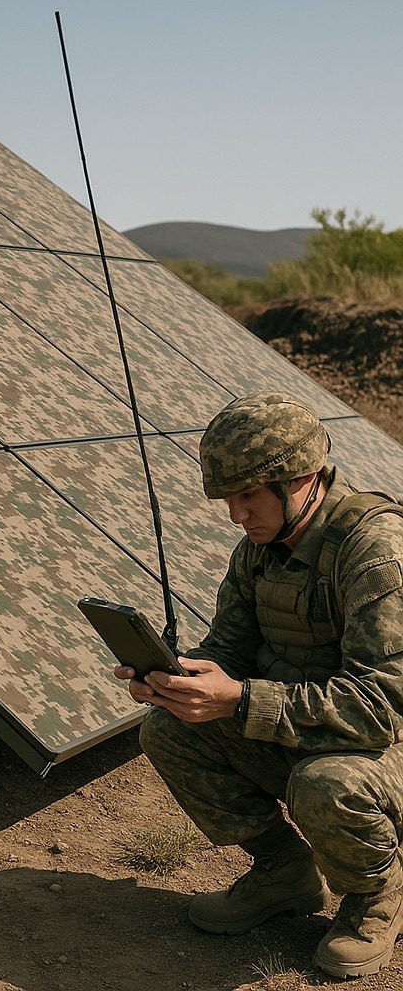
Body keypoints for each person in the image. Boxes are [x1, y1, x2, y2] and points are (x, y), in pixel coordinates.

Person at [115, 391, 403, 979]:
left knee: (325, 784)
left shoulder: (376, 553)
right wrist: (177, 678)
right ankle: (284, 873)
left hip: (381, 745)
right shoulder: (259, 550)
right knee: (170, 728)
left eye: (249, 494)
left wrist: (241, 700)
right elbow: (228, 649)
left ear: (308, 479)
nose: (236, 515)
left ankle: (373, 902)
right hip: (306, 724)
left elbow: (382, 708)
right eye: (229, 498)